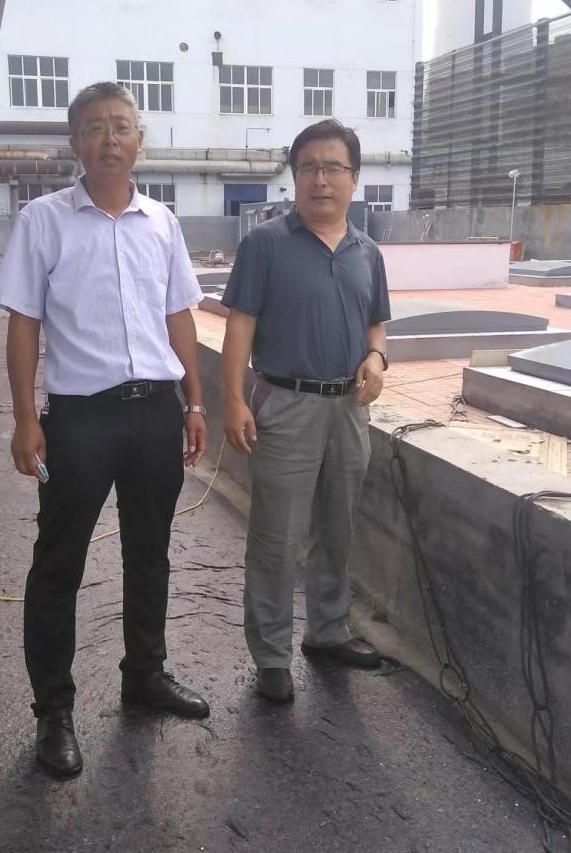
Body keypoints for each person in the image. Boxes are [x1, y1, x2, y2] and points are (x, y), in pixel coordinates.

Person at [0, 82, 210, 778]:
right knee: (59, 563)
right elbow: (23, 322)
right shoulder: (43, 221)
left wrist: (195, 404)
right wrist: (25, 419)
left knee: (150, 553)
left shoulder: (161, 222)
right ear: (75, 143)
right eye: (94, 128)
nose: (109, 139)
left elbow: (178, 315)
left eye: (121, 126)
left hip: (155, 412)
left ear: (140, 139)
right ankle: (53, 712)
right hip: (79, 420)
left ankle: (144, 676)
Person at [220, 119, 391, 705]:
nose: (321, 179)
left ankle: (327, 631)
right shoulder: (265, 244)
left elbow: (377, 324)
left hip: (348, 408)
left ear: (354, 178)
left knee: (337, 529)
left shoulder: (368, 252)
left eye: (333, 168)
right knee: (276, 536)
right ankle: (272, 655)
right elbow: (239, 326)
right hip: (285, 405)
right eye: (309, 168)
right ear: (295, 177)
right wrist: (234, 400)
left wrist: (376, 357)